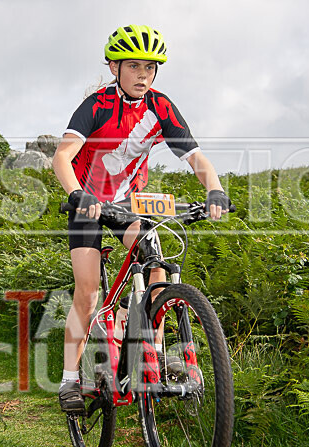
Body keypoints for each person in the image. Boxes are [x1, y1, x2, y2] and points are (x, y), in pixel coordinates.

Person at [52, 25, 231, 413]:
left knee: (156, 267)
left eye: (150, 67)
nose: (143, 75)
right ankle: (69, 380)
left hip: (128, 203)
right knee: (88, 293)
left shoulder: (160, 107)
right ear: (114, 67)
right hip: (88, 204)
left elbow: (195, 157)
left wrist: (214, 189)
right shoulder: (96, 106)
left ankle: (156, 354)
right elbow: (62, 157)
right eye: (133, 66)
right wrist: (77, 194)